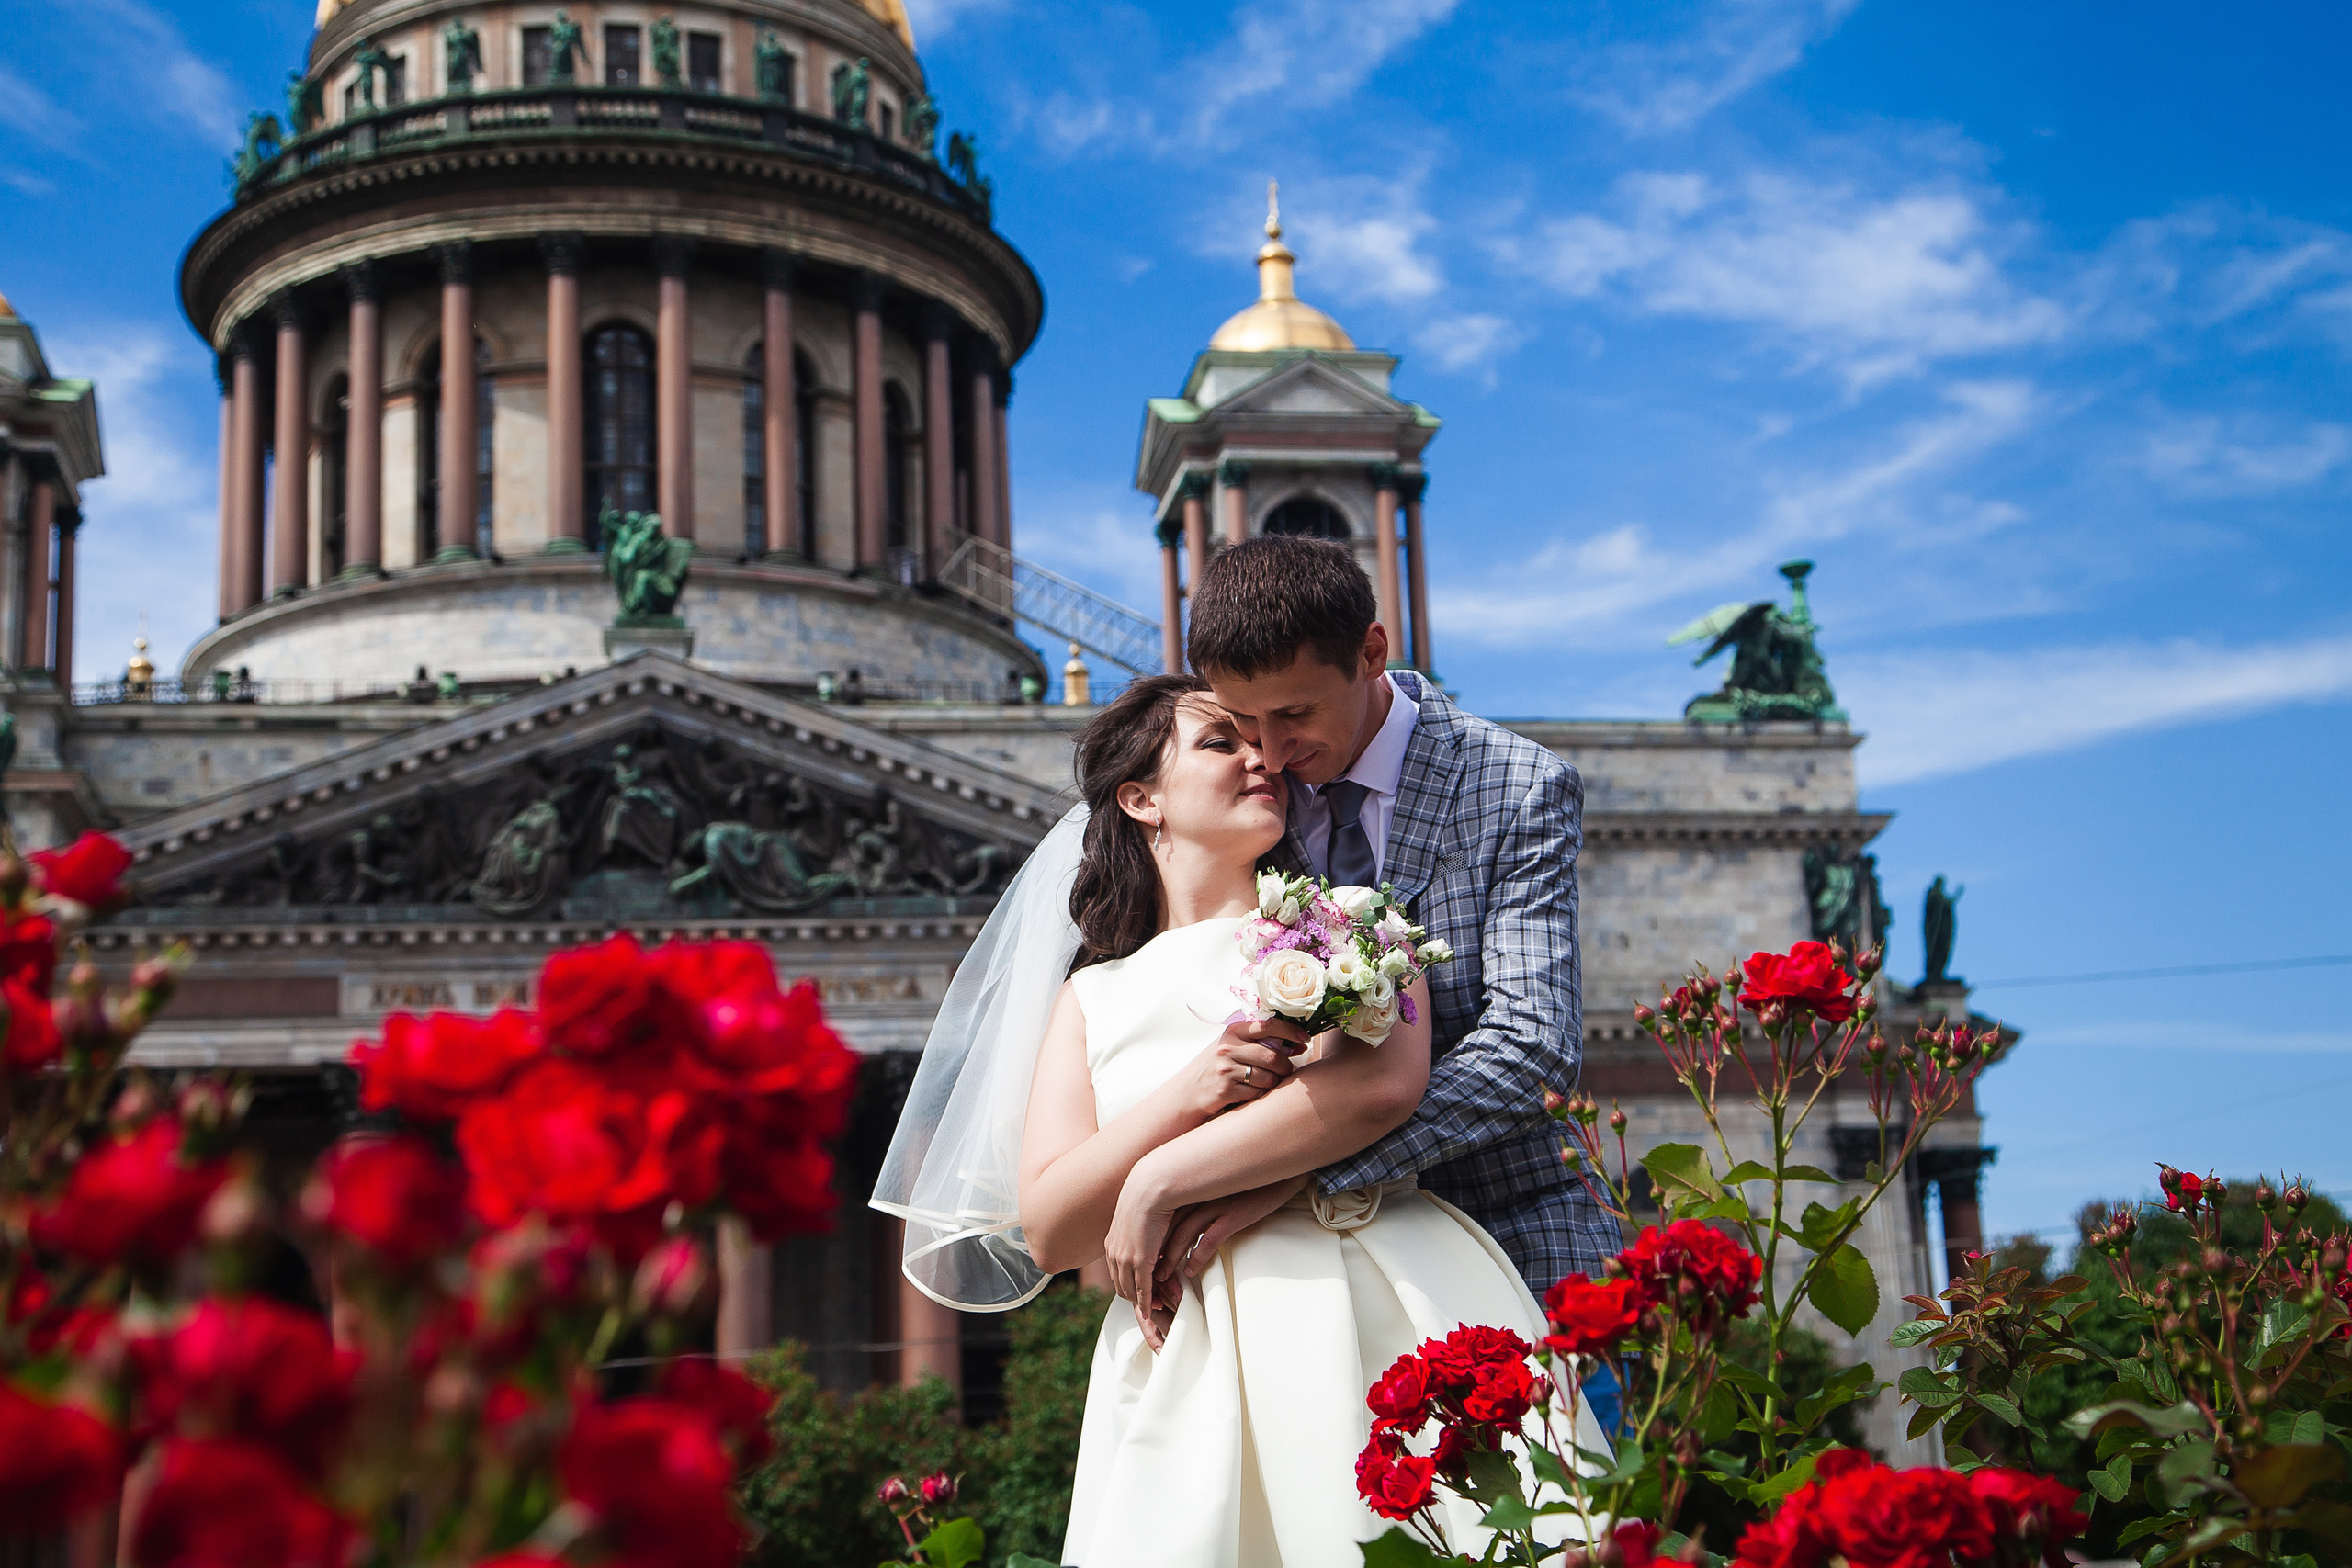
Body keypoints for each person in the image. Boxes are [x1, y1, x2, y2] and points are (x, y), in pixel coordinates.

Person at [875, 672, 1605, 1565]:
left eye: (1260, 740)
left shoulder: (1352, 917)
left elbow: (1380, 1089)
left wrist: (1154, 1179)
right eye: (1222, 742)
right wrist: (1188, 1093)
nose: (1261, 758)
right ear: (1141, 798)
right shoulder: (1088, 999)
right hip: (1190, 1350)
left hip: (1387, 1289)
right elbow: (1051, 1229)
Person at [1173, 535, 1621, 1301]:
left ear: (1372, 651)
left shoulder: (1517, 784)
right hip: (1292, 1267)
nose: (1272, 753)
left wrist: (1293, 1169)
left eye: (1296, 712)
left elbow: (1530, 1046)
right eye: (1245, 720)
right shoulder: (1244, 798)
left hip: (1509, 1231)